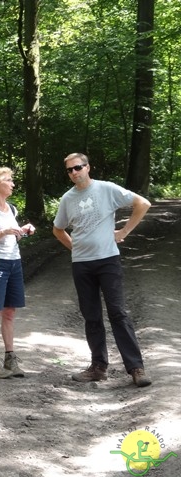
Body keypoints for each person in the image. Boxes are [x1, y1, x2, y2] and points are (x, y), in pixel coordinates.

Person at [53, 153, 152, 388]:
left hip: (108, 260)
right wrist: (74, 248)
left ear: (88, 167)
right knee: (91, 316)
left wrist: (123, 232)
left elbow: (143, 204)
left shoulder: (106, 189)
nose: (74, 172)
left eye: (78, 167)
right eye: (69, 170)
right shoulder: (68, 199)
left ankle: (136, 368)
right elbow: (58, 230)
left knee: (118, 313)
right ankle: (98, 367)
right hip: (81, 264)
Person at [0, 167, 35, 379]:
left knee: (10, 311)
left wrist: (22, 231)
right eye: (8, 180)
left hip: (15, 262)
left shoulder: (12, 209)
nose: (13, 184)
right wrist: (3, 232)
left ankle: (10, 359)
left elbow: (14, 238)